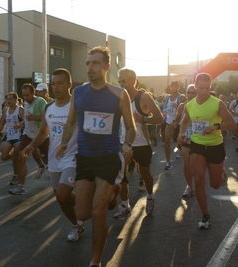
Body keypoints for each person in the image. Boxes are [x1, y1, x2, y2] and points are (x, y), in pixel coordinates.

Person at [56, 46, 136, 267]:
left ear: (107, 66)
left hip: (109, 158)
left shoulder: (119, 94)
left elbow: (130, 127)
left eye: (95, 63)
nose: (90, 67)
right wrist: (63, 143)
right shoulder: (79, 93)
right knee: (83, 212)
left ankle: (96, 262)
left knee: (98, 211)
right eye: (88, 63)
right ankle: (112, 194)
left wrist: (128, 144)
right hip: (85, 158)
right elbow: (71, 122)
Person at [23, 68, 87, 241]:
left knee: (62, 194)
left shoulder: (77, 107)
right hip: (54, 159)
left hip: (72, 158)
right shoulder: (49, 108)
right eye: (54, 84)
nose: (56, 87)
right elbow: (44, 132)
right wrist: (31, 145)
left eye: (60, 83)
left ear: (69, 85)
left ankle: (87, 205)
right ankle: (77, 224)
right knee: (61, 199)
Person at [178, 73, 236, 229]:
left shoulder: (217, 104)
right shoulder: (189, 105)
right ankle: (205, 215)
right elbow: (184, 122)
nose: (204, 91)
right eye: (201, 87)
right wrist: (181, 133)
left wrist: (216, 127)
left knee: (215, 184)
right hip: (197, 145)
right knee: (198, 180)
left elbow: (231, 123)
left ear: (210, 87)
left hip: (215, 145)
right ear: (195, 86)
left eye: (207, 88)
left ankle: (221, 173)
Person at [114, 68, 163, 220]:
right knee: (120, 174)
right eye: (119, 80)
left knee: (145, 173)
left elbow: (160, 118)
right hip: (124, 142)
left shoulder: (144, 97)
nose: (121, 83)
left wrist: (144, 119)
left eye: (125, 80)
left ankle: (150, 196)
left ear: (134, 80)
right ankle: (125, 205)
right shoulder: (118, 97)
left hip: (141, 143)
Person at [9, 83, 49, 195]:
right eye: (24, 95)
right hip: (28, 134)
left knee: (48, 160)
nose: (25, 98)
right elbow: (27, 119)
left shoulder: (40, 102)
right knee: (21, 157)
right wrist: (22, 123)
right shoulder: (26, 103)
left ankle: (60, 178)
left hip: (42, 135)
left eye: (27, 95)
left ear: (33, 93)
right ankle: (20, 186)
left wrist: (33, 118)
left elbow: (46, 117)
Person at [0, 92, 24, 185]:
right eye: (7, 99)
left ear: (16, 100)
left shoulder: (20, 109)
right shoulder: (5, 109)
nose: (8, 101)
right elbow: (2, 121)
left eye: (11, 99)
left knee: (15, 158)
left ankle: (15, 175)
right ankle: (16, 155)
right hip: (9, 135)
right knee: (4, 157)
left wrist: (20, 125)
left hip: (18, 136)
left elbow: (26, 121)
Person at [174, 84, 197, 198]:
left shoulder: (203, 105)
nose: (190, 95)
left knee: (197, 163)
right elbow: (178, 118)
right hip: (187, 137)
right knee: (187, 162)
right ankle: (189, 186)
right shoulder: (183, 106)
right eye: (189, 92)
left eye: (193, 93)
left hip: (201, 138)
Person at [164, 81, 186, 170]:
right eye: (172, 86)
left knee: (181, 142)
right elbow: (166, 108)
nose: (173, 88)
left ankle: (179, 150)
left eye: (175, 86)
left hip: (179, 123)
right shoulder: (168, 97)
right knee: (167, 141)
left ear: (178, 87)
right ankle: (168, 162)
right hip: (169, 121)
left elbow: (185, 109)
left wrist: (177, 107)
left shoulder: (182, 97)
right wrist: (165, 112)